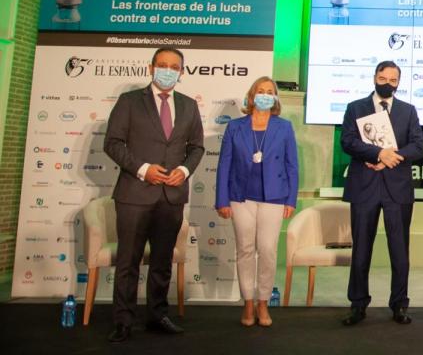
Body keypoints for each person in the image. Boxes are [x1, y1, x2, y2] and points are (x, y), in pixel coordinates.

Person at [103, 47, 204, 343]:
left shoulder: (188, 105)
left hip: (171, 196)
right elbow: (113, 143)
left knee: (161, 262)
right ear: (151, 68)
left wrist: (184, 171)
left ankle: (157, 315)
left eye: (174, 67)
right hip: (134, 194)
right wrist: (142, 168)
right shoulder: (130, 101)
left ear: (181, 72)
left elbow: (196, 147)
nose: (168, 70)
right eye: (163, 65)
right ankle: (123, 321)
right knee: (128, 261)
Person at [341, 61, 423, 326]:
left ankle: (399, 304)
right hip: (364, 187)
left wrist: (391, 156)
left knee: (400, 251)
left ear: (398, 83)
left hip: (397, 189)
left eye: (393, 79)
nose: (387, 82)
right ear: (374, 77)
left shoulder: (408, 111)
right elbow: (348, 141)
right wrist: (377, 153)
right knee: (361, 249)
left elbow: (418, 146)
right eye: (383, 77)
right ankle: (357, 304)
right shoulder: (355, 107)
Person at [215, 77, 299, 327]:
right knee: (245, 249)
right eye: (260, 91)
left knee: (268, 250)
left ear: (275, 98)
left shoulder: (284, 127)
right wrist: (222, 200)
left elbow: (292, 165)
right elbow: (224, 165)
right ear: (251, 96)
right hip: (240, 196)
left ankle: (263, 301)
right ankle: (248, 303)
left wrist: (291, 199)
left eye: (269, 92)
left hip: (274, 196)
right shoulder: (235, 127)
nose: (264, 95)